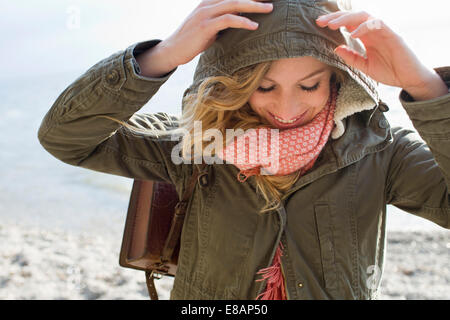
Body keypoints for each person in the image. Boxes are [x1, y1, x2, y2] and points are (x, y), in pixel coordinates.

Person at [38, 0, 450, 300]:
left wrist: (424, 86)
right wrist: (162, 56)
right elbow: (66, 137)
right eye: (263, 86)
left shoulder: (382, 149)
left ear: (337, 81)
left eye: (309, 85)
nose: (286, 109)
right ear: (231, 83)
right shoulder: (195, 146)